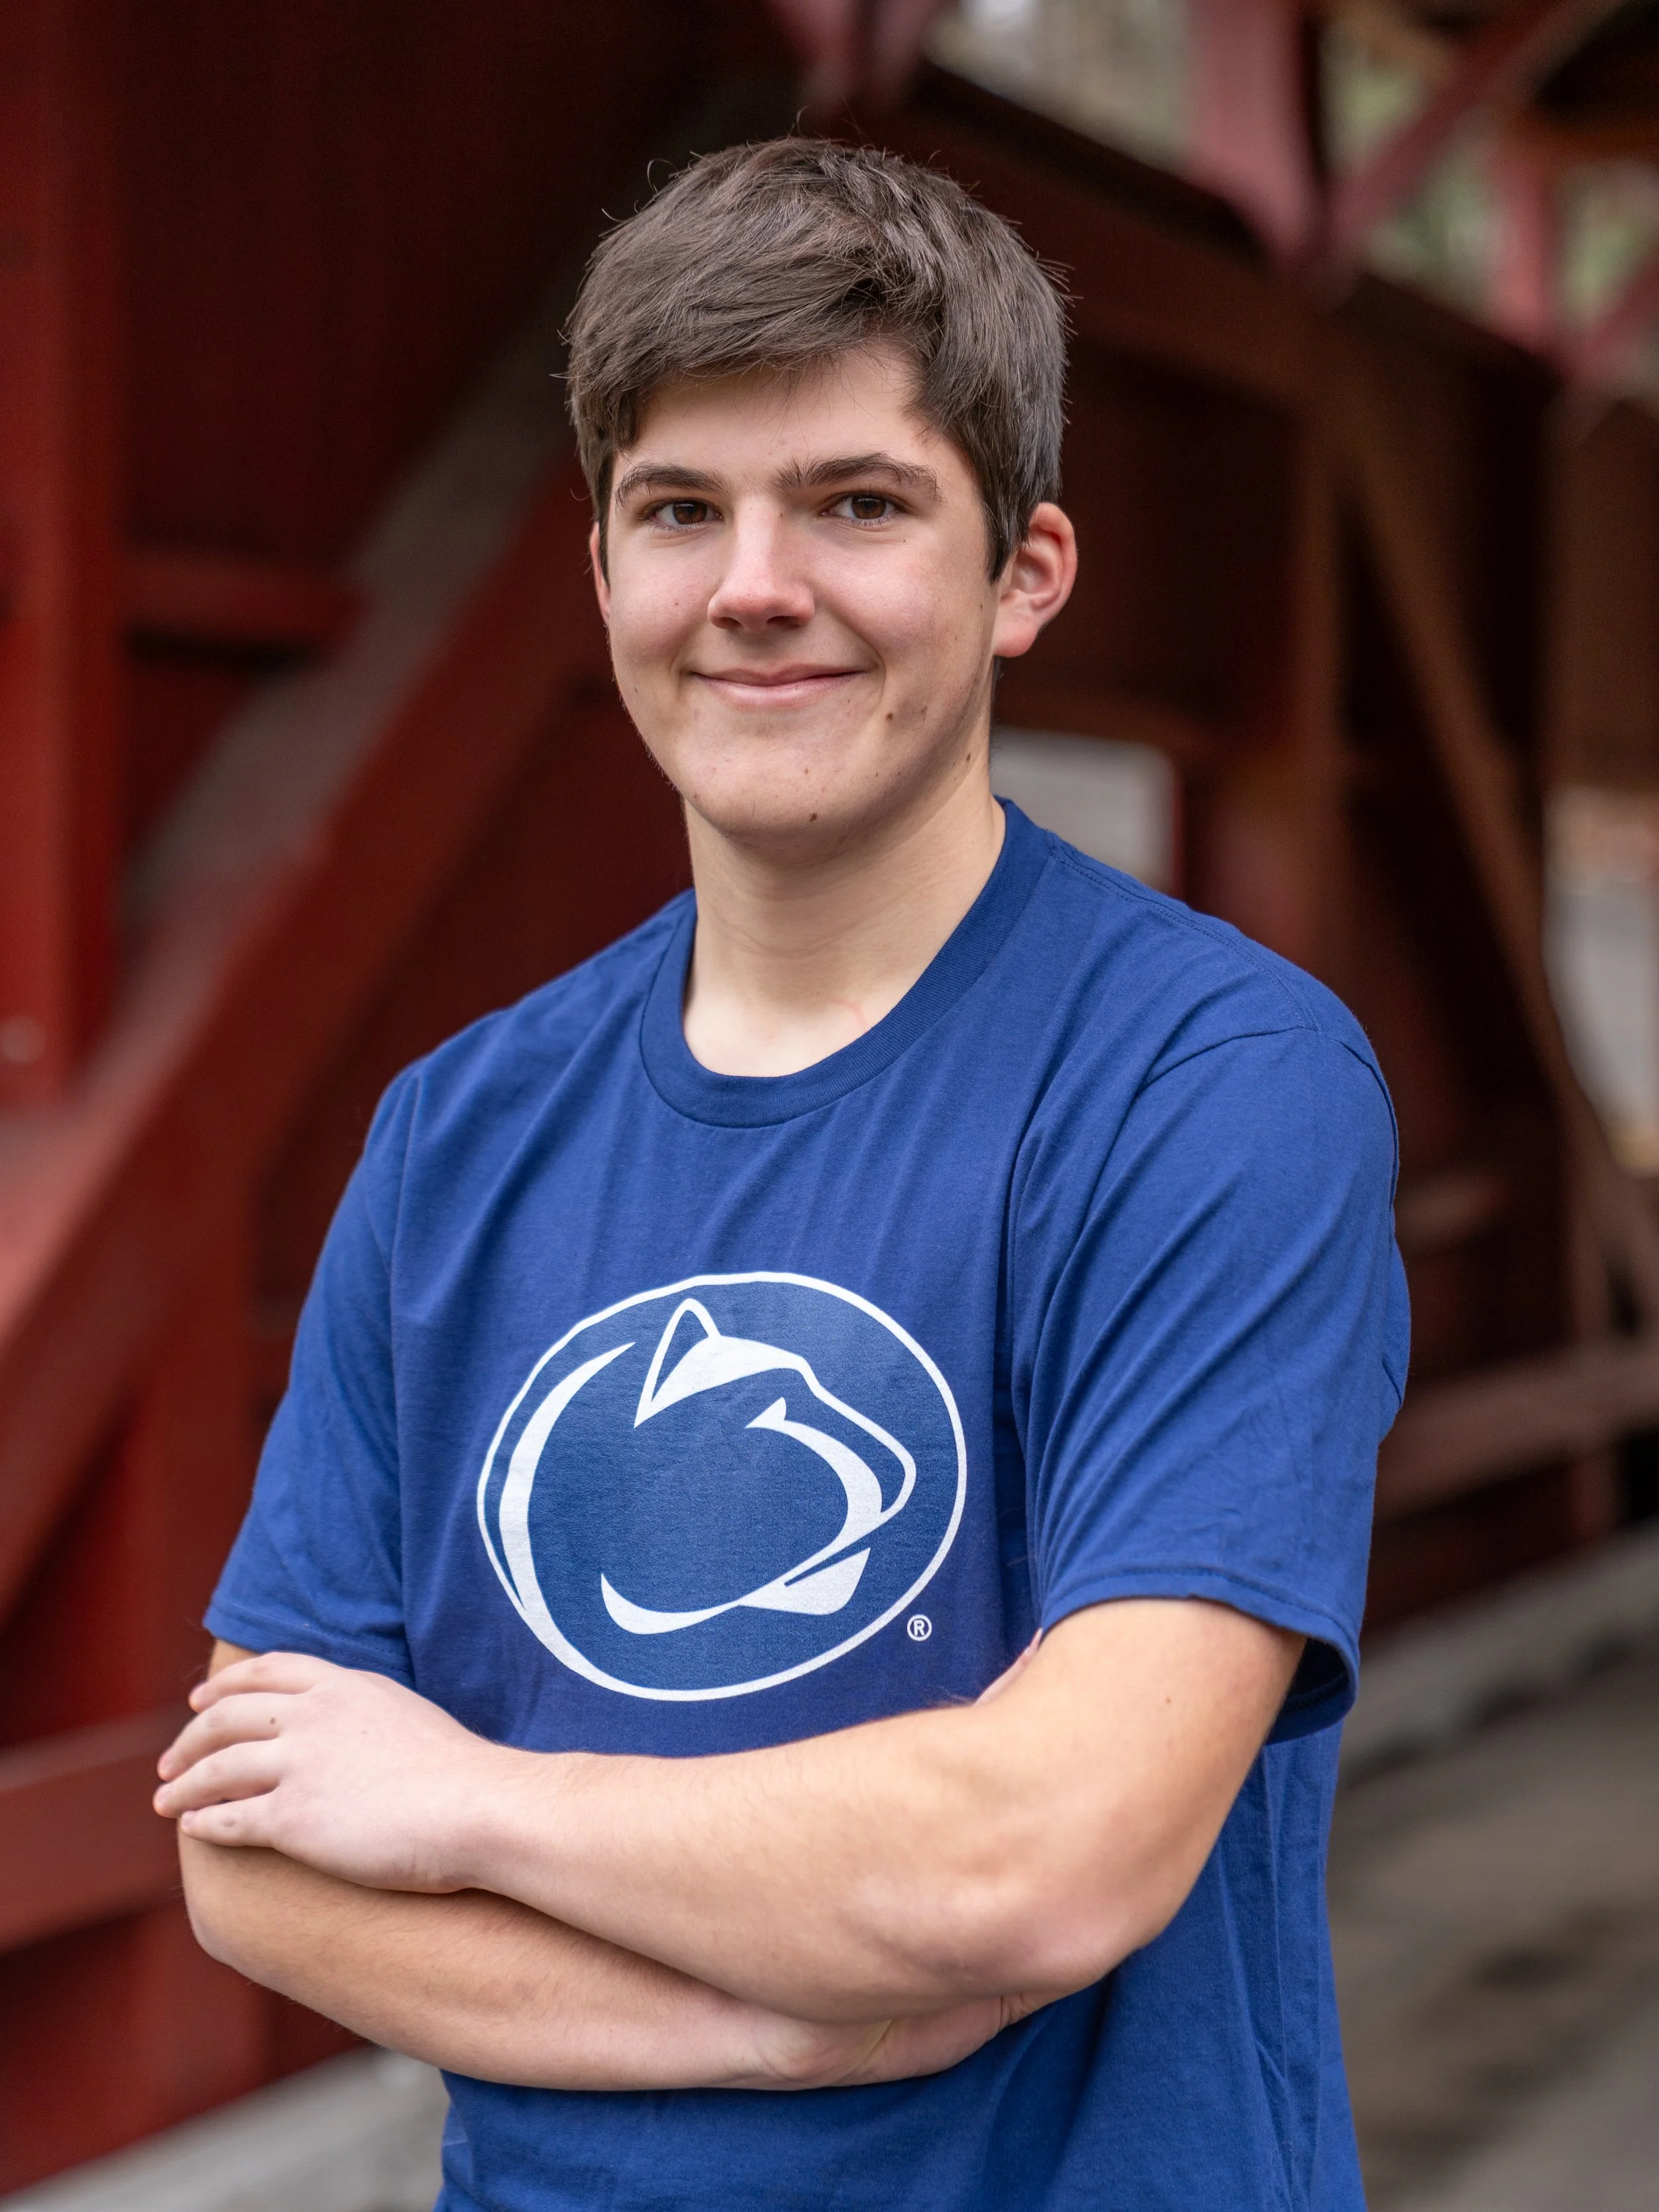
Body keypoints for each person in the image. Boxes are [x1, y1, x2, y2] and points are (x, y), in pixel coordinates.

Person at [154, 139, 1407, 2212]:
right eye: (677, 511)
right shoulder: (461, 1129)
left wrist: (466, 1802)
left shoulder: (1212, 1079)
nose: (754, 583)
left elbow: (1042, 1851)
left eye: (854, 501)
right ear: (604, 578)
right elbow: (255, 1860)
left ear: (1023, 571)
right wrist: (764, 2022)